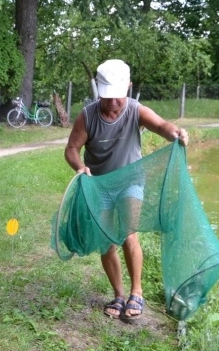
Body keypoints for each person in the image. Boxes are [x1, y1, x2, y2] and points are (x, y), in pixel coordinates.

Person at [64, 59, 189, 321]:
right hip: (99, 185)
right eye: (106, 97)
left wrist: (175, 133)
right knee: (107, 241)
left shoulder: (135, 110)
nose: (112, 103)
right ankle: (119, 294)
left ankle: (137, 292)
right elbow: (72, 148)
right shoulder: (87, 116)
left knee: (129, 234)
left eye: (117, 96)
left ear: (128, 88)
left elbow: (161, 126)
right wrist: (79, 166)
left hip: (131, 181)